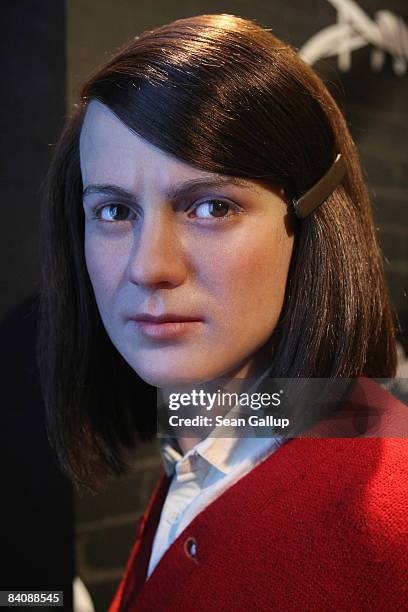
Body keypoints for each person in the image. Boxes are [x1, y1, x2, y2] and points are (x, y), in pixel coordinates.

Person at [38, 13, 408, 611]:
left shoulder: (388, 525)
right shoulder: (200, 450)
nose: (148, 266)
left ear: (312, 219)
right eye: (114, 212)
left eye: (211, 207)